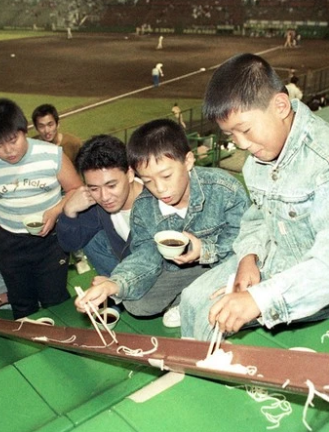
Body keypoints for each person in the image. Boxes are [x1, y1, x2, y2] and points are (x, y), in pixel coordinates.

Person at [180, 53, 329, 341]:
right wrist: (249, 256)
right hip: (276, 257)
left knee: (210, 316)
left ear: (280, 105)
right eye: (230, 134)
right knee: (191, 300)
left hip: (326, 285)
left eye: (245, 130)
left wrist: (258, 300)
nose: (241, 144)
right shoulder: (260, 156)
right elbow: (258, 217)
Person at [74, 119, 249, 328]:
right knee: (135, 304)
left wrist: (205, 250)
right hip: (182, 272)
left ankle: (195, 299)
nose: (160, 188)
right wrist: (114, 284)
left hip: (227, 263)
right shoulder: (144, 207)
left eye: (166, 176)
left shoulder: (224, 188)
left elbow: (247, 239)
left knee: (231, 289)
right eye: (147, 180)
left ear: (188, 161)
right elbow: (145, 256)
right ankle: (192, 298)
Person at [0, 98, 82, 319]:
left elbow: (77, 189)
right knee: (22, 305)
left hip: (50, 242)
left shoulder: (52, 155)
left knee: (55, 301)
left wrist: (56, 210)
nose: (8, 150)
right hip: (10, 245)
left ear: (23, 130)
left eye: (13, 140)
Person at [56, 135, 144, 277]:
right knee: (90, 237)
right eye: (94, 188)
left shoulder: (157, 201)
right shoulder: (96, 206)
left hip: (163, 277)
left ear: (130, 174)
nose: (104, 197)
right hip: (128, 273)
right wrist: (69, 211)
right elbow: (69, 245)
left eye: (111, 185)